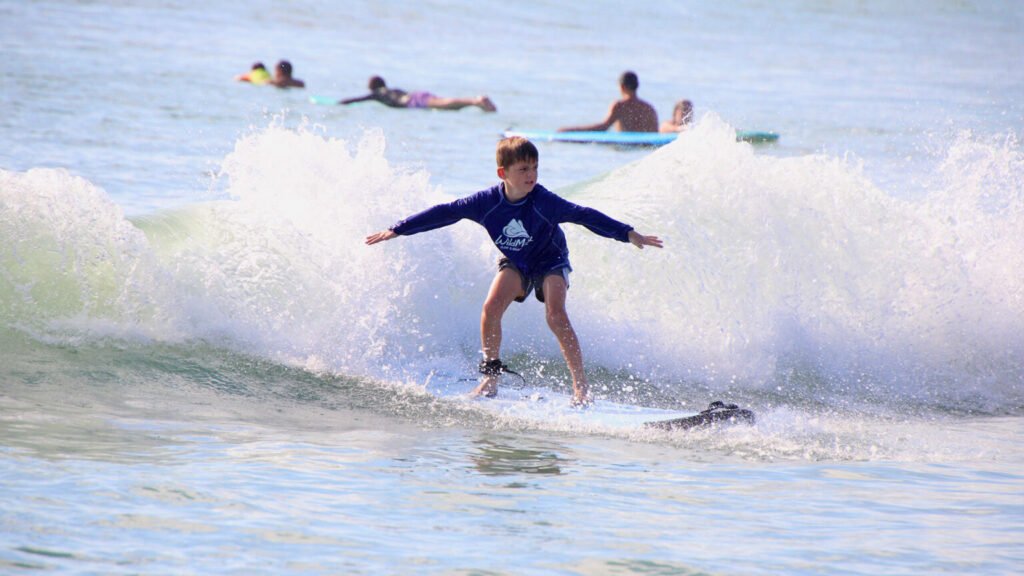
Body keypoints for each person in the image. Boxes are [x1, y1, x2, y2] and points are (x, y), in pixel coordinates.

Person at [365, 136, 663, 406]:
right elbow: (445, 212)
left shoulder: (544, 201)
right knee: (491, 307)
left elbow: (583, 215)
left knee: (556, 314)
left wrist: (627, 233)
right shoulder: (485, 204)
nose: (531, 175)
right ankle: (491, 377)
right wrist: (398, 229)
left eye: (534, 167)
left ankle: (580, 385)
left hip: (551, 259)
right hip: (517, 261)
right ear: (502, 173)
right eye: (523, 169)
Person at [558, 71, 659, 133]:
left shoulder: (620, 106)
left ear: (622, 87)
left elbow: (603, 127)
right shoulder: (649, 108)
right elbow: (655, 133)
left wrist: (570, 130)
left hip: (625, 147)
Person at [339, 75, 496, 112]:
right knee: (445, 103)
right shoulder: (393, 89)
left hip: (411, 102)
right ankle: (474, 102)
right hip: (417, 95)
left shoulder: (377, 93)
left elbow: (357, 100)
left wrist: (339, 103)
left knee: (445, 105)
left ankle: (475, 101)